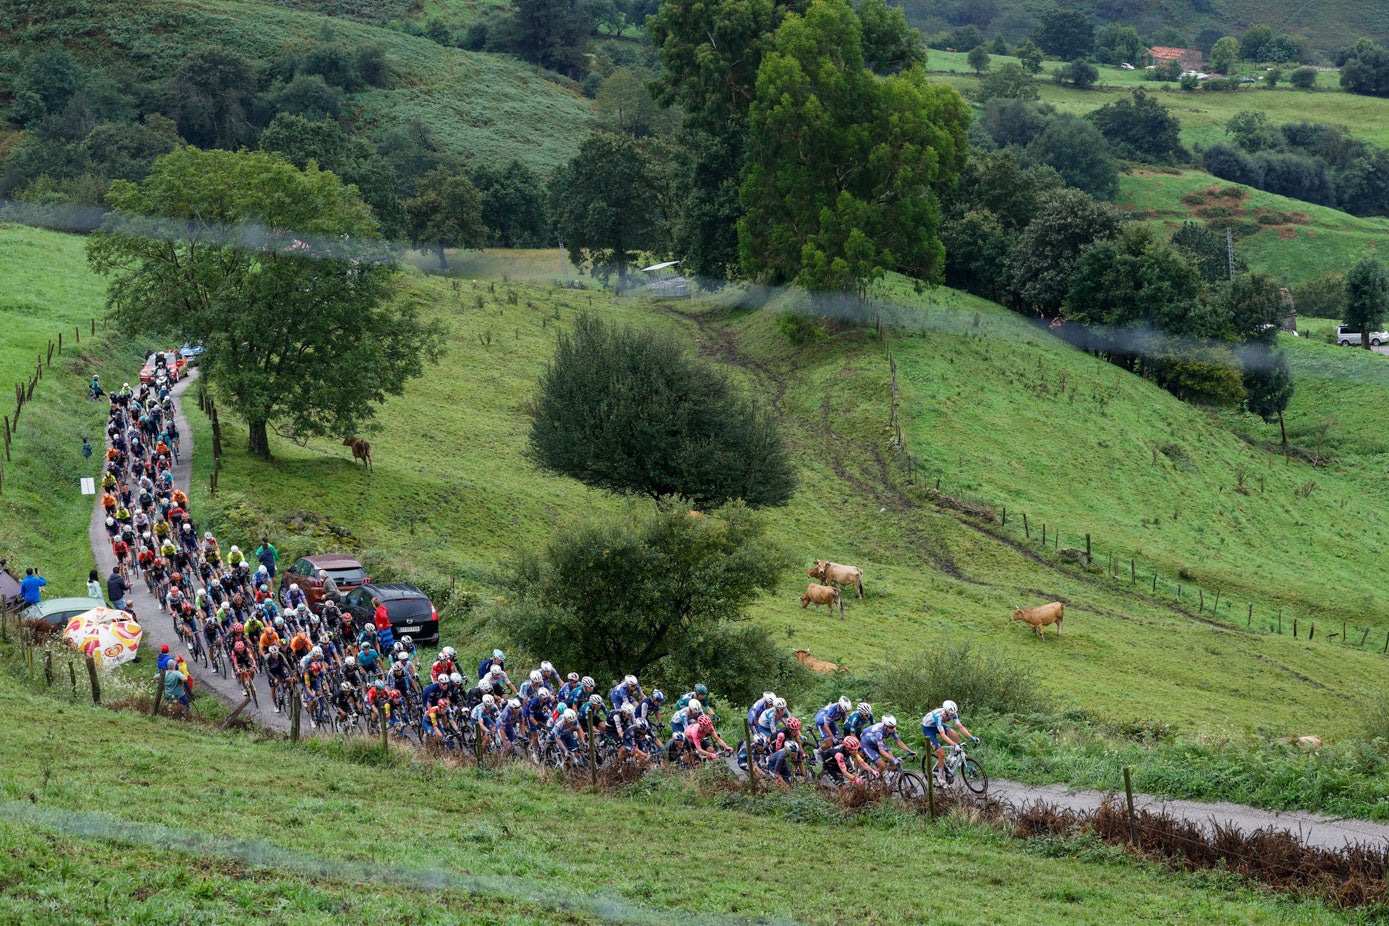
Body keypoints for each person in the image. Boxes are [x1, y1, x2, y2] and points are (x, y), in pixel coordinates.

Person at [921, 700, 978, 786]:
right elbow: (943, 735)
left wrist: (972, 737)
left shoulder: (953, 713)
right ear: (946, 712)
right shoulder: (939, 716)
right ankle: (940, 776)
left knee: (955, 735)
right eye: (950, 715)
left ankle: (951, 757)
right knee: (941, 753)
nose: (952, 716)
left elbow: (960, 727)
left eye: (953, 714)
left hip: (936, 725)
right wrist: (954, 745)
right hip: (928, 729)